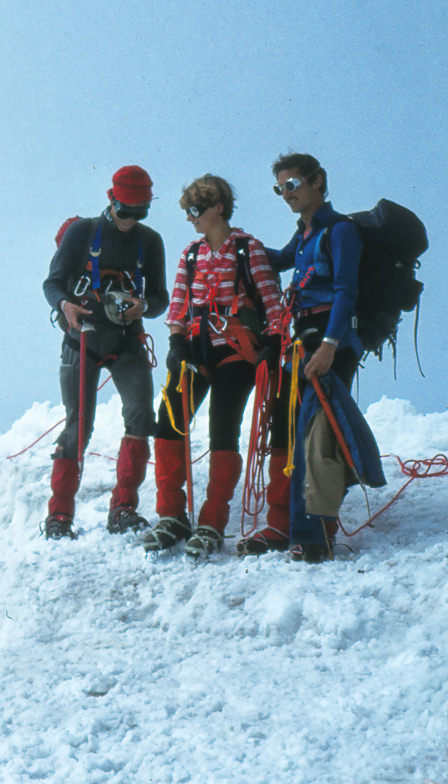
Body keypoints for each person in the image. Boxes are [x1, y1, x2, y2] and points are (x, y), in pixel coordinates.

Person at [235, 152, 383, 562]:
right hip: (301, 341)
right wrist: (238, 242)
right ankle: (283, 525)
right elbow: (279, 261)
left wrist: (330, 347)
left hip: (327, 342)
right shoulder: (305, 234)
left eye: (293, 185)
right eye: (280, 188)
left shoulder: (340, 231)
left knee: (319, 431)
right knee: (285, 428)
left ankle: (317, 532)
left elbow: (345, 292)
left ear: (318, 181)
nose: (286, 194)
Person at [142, 175, 285, 558]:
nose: (190, 218)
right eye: (187, 210)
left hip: (236, 351)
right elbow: (178, 304)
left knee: (223, 428)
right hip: (194, 348)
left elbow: (272, 302)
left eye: (195, 210)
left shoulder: (247, 249)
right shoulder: (191, 253)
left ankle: (211, 521)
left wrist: (272, 343)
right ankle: (171, 515)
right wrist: (175, 342)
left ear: (218, 207)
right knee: (169, 421)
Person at [41, 165, 169, 539]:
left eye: (139, 212)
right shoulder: (82, 233)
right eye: (125, 211)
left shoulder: (151, 241)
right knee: (78, 426)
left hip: (127, 340)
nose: (130, 220)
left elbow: (159, 297)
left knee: (141, 416)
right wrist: (66, 306)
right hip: (82, 339)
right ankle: (59, 516)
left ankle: (124, 508)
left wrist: (143, 307)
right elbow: (52, 282)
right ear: (110, 200)